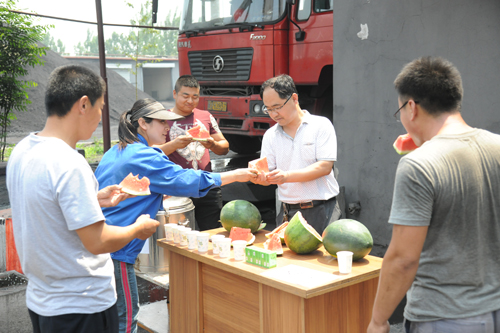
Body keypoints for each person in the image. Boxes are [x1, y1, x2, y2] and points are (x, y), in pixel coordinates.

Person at [6, 65, 159, 333]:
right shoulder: (69, 162)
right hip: (82, 305)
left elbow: (45, 205)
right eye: (101, 108)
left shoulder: (23, 150)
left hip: (43, 302)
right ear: (84, 104)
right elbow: (98, 241)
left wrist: (93, 198)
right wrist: (138, 228)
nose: (101, 117)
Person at [94, 98, 257, 333]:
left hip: (99, 244)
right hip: (117, 251)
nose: (167, 127)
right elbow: (186, 179)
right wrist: (237, 175)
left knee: (108, 317)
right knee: (125, 320)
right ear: (143, 123)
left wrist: (157, 193)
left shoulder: (117, 149)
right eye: (161, 122)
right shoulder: (145, 157)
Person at [367, 57, 500, 333]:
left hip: (445, 317)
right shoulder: (496, 145)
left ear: (411, 107)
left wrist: (378, 320)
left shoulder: (418, 164)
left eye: (399, 112)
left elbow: (403, 259)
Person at [252, 74, 342, 234]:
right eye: (269, 109)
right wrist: (260, 178)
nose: (273, 114)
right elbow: (267, 173)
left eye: (277, 107)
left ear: (294, 98)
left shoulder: (321, 125)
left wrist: (286, 176)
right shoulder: (270, 135)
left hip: (322, 210)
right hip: (288, 213)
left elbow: (324, 167)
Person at [156, 75, 230, 231]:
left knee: (212, 233)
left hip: (207, 185)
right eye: (185, 96)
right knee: (180, 237)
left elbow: (224, 147)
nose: (190, 101)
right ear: (175, 94)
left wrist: (213, 144)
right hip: (177, 187)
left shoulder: (206, 116)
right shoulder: (163, 119)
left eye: (195, 97)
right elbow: (154, 152)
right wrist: (174, 144)